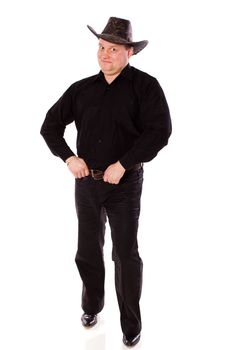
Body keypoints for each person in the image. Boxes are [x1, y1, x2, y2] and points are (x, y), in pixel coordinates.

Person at [40, 17, 172, 347]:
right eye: (101, 47)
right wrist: (70, 158)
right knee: (88, 249)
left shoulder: (146, 87)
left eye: (113, 49)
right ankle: (91, 306)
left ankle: (131, 323)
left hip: (125, 185)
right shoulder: (82, 89)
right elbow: (50, 126)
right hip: (87, 184)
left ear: (130, 52)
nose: (105, 54)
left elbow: (160, 131)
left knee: (125, 254)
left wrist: (124, 164)